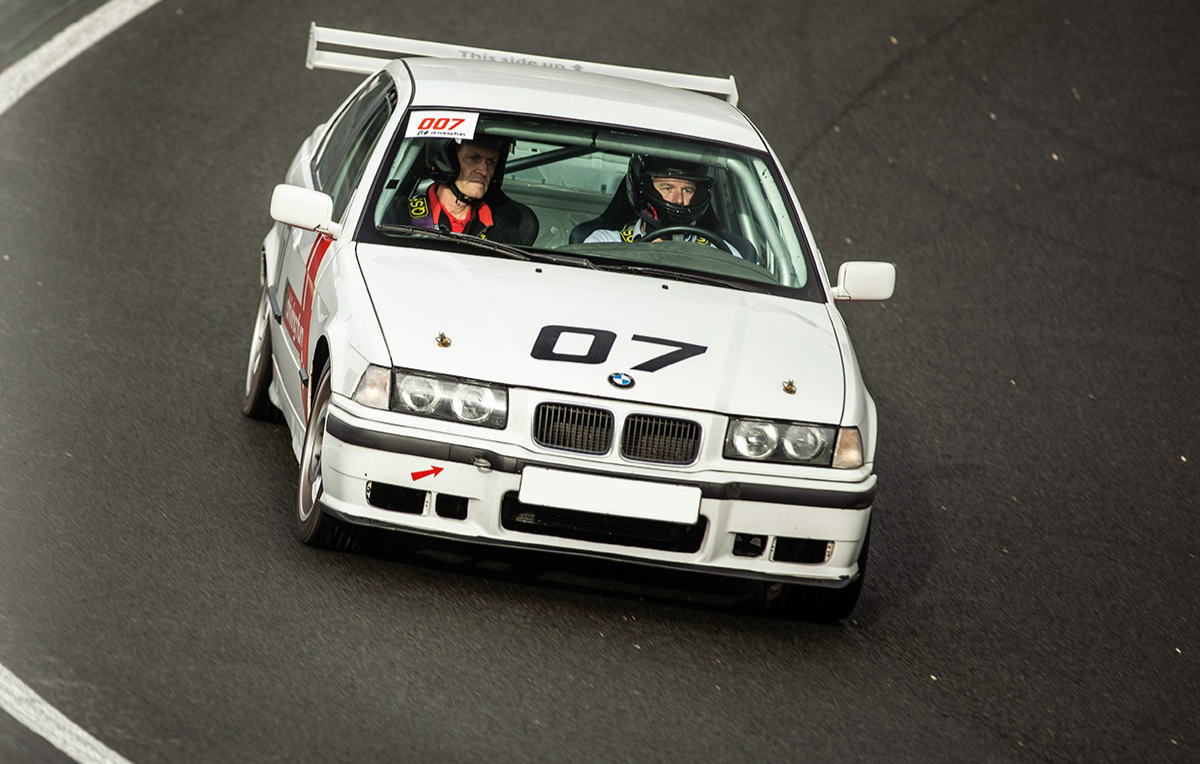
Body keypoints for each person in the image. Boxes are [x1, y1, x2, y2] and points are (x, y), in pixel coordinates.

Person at [583, 154, 742, 258]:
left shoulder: (721, 253)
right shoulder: (605, 245)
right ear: (644, 188)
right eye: (667, 188)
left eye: (687, 190)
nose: (678, 200)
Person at [406, 137, 504, 237]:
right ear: (447, 161)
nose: (484, 171)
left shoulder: (505, 228)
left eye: (491, 162)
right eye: (473, 158)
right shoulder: (400, 215)